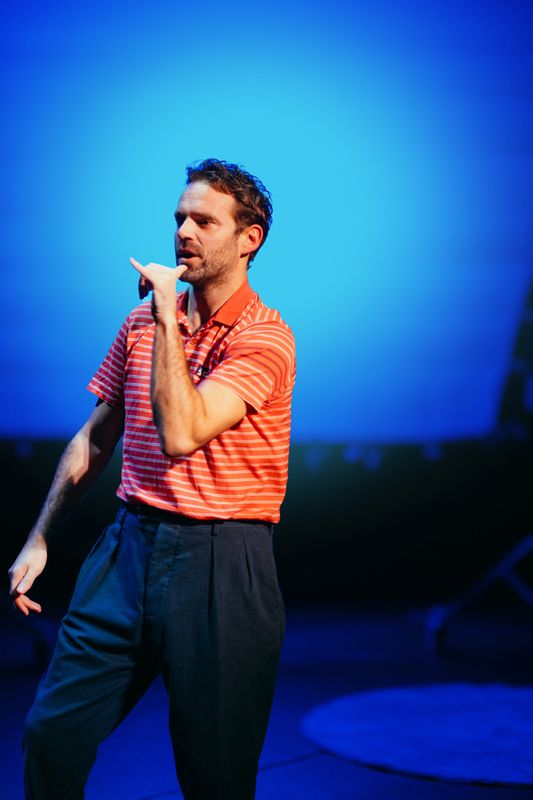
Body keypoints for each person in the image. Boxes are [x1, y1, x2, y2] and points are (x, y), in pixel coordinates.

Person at [9, 158, 296, 800]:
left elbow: (183, 431)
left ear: (248, 239)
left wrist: (168, 315)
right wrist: (40, 537)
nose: (183, 233)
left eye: (204, 221)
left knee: (215, 775)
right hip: (129, 549)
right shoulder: (141, 323)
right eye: (179, 219)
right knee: (51, 735)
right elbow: (95, 437)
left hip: (222, 562)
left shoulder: (266, 338)